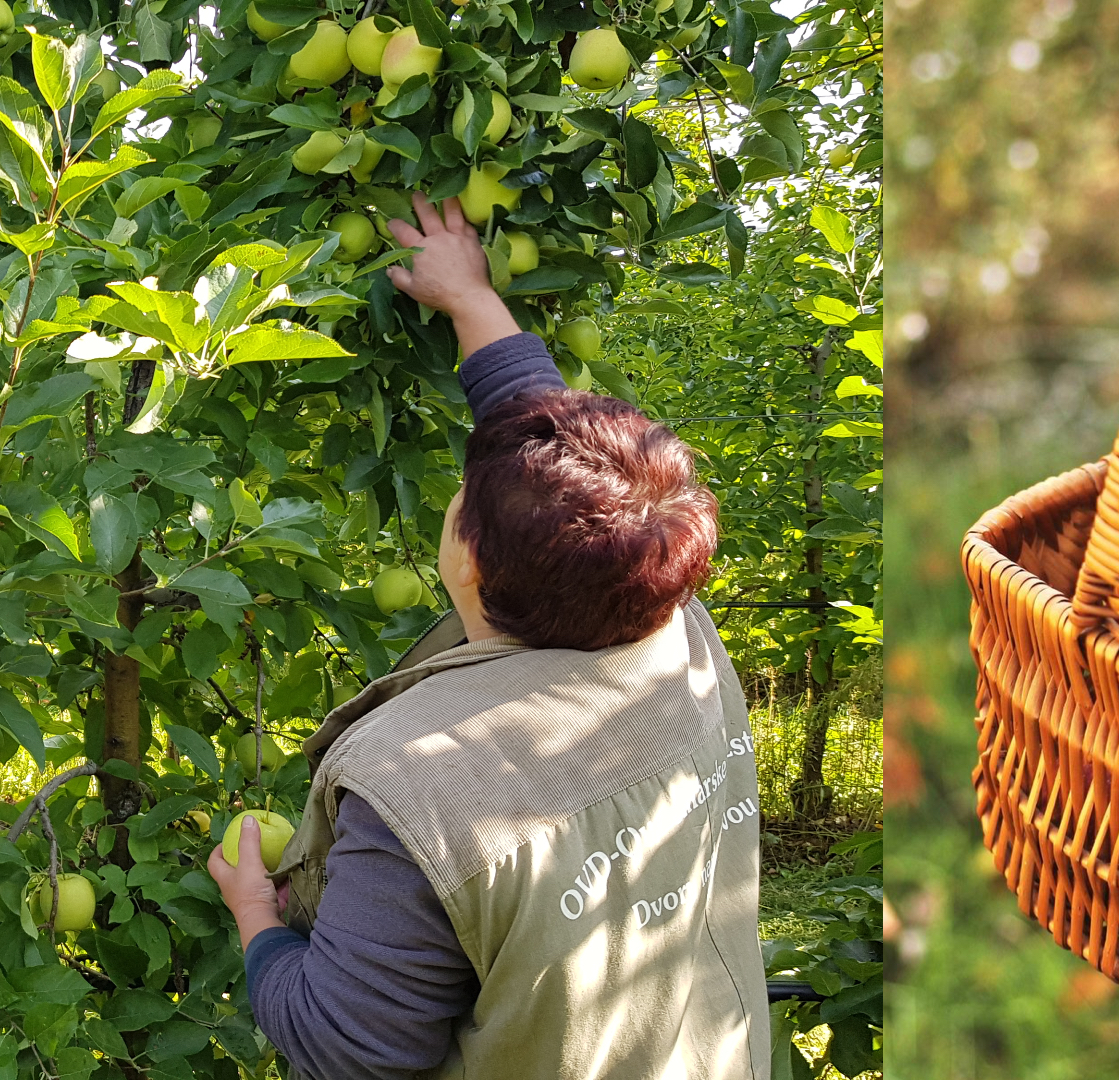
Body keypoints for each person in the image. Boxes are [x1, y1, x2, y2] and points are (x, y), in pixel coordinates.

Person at [206, 192, 771, 1080]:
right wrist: (471, 297)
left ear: (468, 560)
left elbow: (347, 1046)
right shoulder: (666, 618)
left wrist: (255, 917)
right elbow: (557, 451)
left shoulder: (425, 785)